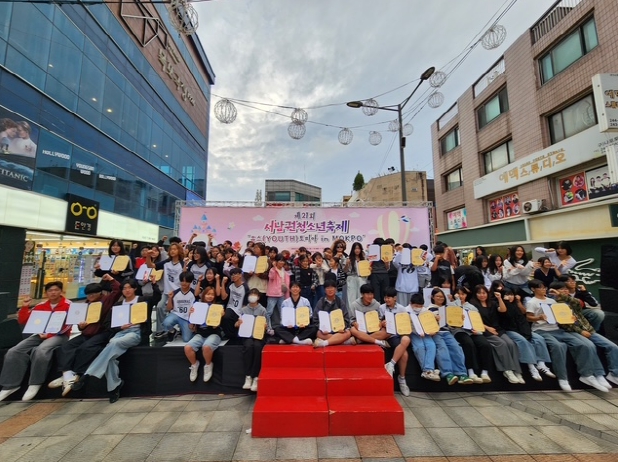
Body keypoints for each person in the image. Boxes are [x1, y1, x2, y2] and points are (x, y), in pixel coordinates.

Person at [71, 277, 161, 403]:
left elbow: (157, 298)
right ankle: (115, 386)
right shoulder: (118, 305)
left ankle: (87, 375)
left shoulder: (142, 300)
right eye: (124, 288)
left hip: (135, 333)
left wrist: (154, 284)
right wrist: (120, 327)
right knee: (110, 357)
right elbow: (107, 324)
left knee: (113, 343)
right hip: (120, 332)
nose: (127, 290)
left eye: (129, 288)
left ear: (135, 288)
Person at [525, 279, 608, 392]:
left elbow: (562, 313)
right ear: (533, 289)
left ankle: (587, 374)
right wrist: (538, 317)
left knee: (583, 344)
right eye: (540, 287)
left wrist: (569, 318)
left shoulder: (552, 301)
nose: (543, 289)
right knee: (559, 346)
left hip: (557, 329)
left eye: (544, 287)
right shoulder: (532, 302)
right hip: (541, 330)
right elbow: (528, 317)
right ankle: (563, 378)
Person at [49, 274, 121, 396]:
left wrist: (111, 279)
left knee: (85, 348)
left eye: (93, 294)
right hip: (86, 333)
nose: (90, 296)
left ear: (99, 293)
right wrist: (81, 326)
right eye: (88, 294)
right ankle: (67, 374)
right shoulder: (85, 305)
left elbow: (117, 290)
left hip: (102, 333)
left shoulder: (106, 300)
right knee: (66, 347)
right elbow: (79, 325)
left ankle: (77, 374)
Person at [0, 282, 71, 402]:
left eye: (56, 290)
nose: (53, 293)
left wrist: (50, 335)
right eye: (50, 290)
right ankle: (10, 385)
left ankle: (35, 383)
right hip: (39, 334)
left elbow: (68, 325)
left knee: (41, 350)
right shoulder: (41, 305)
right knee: (14, 351)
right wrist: (24, 307)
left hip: (59, 335)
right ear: (46, 293)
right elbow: (23, 320)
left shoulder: (68, 305)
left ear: (61, 291)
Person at [550, 281, 617, 389]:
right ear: (554, 291)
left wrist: (563, 296)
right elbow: (564, 324)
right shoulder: (555, 304)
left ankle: (614, 374)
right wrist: (580, 331)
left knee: (613, 347)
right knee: (590, 346)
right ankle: (598, 374)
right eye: (562, 289)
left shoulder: (571, 301)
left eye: (566, 289)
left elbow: (578, 303)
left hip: (588, 330)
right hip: (574, 331)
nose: (565, 291)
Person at [496, 288, 555, 381]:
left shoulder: (515, 304)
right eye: (506, 295)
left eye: (511, 294)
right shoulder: (500, 305)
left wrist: (518, 301)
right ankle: (531, 366)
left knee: (539, 339)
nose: (509, 297)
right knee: (523, 341)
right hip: (509, 330)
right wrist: (504, 300)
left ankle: (541, 363)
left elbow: (524, 312)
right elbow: (504, 312)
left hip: (522, 329)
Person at [470, 285, 524, 384]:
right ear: (475, 294)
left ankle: (517, 371)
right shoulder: (473, 305)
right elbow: (473, 320)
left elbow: (503, 310)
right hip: (484, 330)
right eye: (479, 293)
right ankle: (507, 370)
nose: (482, 295)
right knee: (501, 343)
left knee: (511, 343)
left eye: (484, 293)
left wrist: (499, 298)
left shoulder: (493, 303)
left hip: (497, 329)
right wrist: (487, 328)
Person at [426, 289, 473, 385]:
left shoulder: (448, 308)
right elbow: (427, 324)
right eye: (437, 296)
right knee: (442, 349)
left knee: (457, 348)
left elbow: (453, 325)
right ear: (432, 297)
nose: (440, 298)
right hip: (436, 333)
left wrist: (460, 319)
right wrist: (434, 319)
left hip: (447, 332)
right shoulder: (428, 310)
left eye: (442, 296)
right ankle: (448, 374)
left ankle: (462, 374)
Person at [451, 285, 494, 383]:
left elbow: (477, 322)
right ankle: (471, 371)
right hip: (459, 330)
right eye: (458, 294)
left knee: (485, 344)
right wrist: (457, 302)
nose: (460, 296)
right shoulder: (451, 305)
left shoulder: (472, 307)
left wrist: (477, 331)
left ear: (466, 295)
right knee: (468, 343)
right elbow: (452, 323)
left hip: (472, 331)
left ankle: (485, 372)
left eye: (463, 294)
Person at [185, 286, 223, 383]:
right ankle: (194, 365)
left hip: (214, 334)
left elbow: (215, 327)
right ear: (204, 295)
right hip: (200, 334)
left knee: (206, 347)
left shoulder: (217, 307)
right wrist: (190, 315)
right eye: (208, 294)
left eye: (212, 294)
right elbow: (191, 327)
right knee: (188, 348)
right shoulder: (197, 306)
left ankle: (208, 365)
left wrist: (220, 316)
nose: (210, 296)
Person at [147, 242, 184, 338]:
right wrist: (148, 256)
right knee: (159, 307)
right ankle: (161, 330)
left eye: (175, 249)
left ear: (179, 250)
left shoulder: (183, 263)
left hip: (179, 293)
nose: (172, 251)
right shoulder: (166, 262)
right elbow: (150, 265)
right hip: (166, 292)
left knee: (177, 312)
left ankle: (179, 329)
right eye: (171, 249)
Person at [379, 287, 411, 396]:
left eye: (389, 298)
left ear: (395, 298)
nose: (387, 300)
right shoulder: (381, 308)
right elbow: (378, 323)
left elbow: (406, 323)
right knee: (404, 354)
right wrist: (382, 324)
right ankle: (402, 379)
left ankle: (391, 364)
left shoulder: (402, 309)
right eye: (385, 297)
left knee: (406, 339)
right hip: (390, 335)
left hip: (401, 333)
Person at [235, 288, 267, 392]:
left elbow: (269, 327)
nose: (252, 296)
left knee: (257, 347)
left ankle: (256, 377)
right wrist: (238, 324)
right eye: (251, 294)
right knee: (248, 346)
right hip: (247, 335)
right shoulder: (243, 310)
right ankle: (248, 376)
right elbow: (236, 324)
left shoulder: (263, 310)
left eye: (255, 294)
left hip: (258, 336)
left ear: (258, 297)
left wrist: (265, 326)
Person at [157, 271, 202, 342]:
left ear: (190, 282)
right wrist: (170, 298)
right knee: (166, 323)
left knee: (186, 339)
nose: (184, 283)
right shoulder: (175, 293)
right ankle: (173, 331)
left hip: (187, 318)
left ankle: (186, 331)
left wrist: (193, 323)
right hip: (176, 314)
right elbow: (168, 308)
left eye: (186, 281)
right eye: (182, 281)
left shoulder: (194, 293)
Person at [407, 293, 440, 382]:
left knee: (431, 345)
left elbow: (431, 320)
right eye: (416, 306)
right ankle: (428, 370)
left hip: (426, 333)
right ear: (411, 303)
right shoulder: (405, 311)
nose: (418, 308)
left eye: (420, 306)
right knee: (419, 347)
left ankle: (428, 369)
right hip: (413, 333)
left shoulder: (425, 311)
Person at [313, 280, 353, 347]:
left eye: (332, 288)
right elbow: (315, 319)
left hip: (339, 330)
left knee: (348, 332)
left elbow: (346, 318)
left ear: (336, 289)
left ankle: (324, 343)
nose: (330, 290)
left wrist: (342, 327)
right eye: (328, 288)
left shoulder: (340, 302)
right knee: (318, 333)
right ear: (324, 290)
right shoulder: (321, 302)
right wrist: (322, 328)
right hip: (325, 331)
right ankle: (342, 341)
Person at [220, 268, 250, 339]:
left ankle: (234, 336)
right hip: (231, 307)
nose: (233, 276)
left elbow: (245, 304)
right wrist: (223, 283)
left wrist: (242, 315)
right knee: (226, 316)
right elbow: (223, 297)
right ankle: (228, 335)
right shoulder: (230, 284)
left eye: (235, 274)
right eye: (232, 275)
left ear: (240, 275)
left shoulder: (245, 287)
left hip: (240, 309)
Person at [266, 254, 290, 330]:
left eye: (283, 261)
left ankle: (283, 328)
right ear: (276, 261)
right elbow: (271, 277)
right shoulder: (272, 270)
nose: (281, 262)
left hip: (281, 294)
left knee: (282, 312)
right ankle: (268, 328)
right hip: (272, 294)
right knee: (269, 312)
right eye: (280, 260)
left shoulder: (285, 272)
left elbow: (287, 285)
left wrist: (287, 296)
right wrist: (274, 267)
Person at [344, 242, 368, 309]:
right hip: (351, 278)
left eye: (358, 248)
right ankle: (352, 313)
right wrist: (347, 264)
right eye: (355, 248)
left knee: (361, 296)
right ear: (353, 249)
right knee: (351, 297)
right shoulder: (349, 258)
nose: (357, 250)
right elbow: (345, 271)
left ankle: (361, 312)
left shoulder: (364, 259)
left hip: (362, 278)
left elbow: (367, 271)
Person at [368, 238, 390, 303]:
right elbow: (369, 263)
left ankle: (384, 307)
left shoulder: (386, 252)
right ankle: (376, 308)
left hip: (384, 273)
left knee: (384, 294)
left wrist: (386, 262)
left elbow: (387, 268)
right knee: (375, 295)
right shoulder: (372, 251)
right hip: (374, 273)